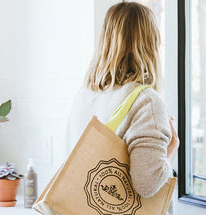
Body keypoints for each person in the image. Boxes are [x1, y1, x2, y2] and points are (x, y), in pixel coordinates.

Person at [64, 0, 179, 203]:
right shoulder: (147, 101)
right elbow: (147, 184)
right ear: (150, 44)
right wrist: (171, 150)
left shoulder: (86, 94)